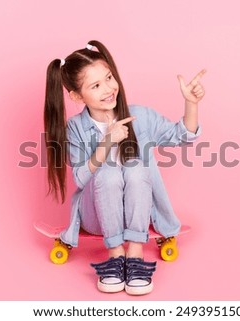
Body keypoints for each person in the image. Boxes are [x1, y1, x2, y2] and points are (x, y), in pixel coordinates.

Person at [43, 40, 205, 295]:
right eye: (96, 85)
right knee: (106, 172)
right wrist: (106, 142)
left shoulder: (140, 116)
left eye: (109, 77)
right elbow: (79, 177)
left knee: (137, 168)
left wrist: (191, 104)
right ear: (76, 96)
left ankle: (135, 256)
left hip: (136, 214)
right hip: (96, 217)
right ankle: (115, 255)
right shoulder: (75, 129)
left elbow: (181, 136)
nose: (108, 89)